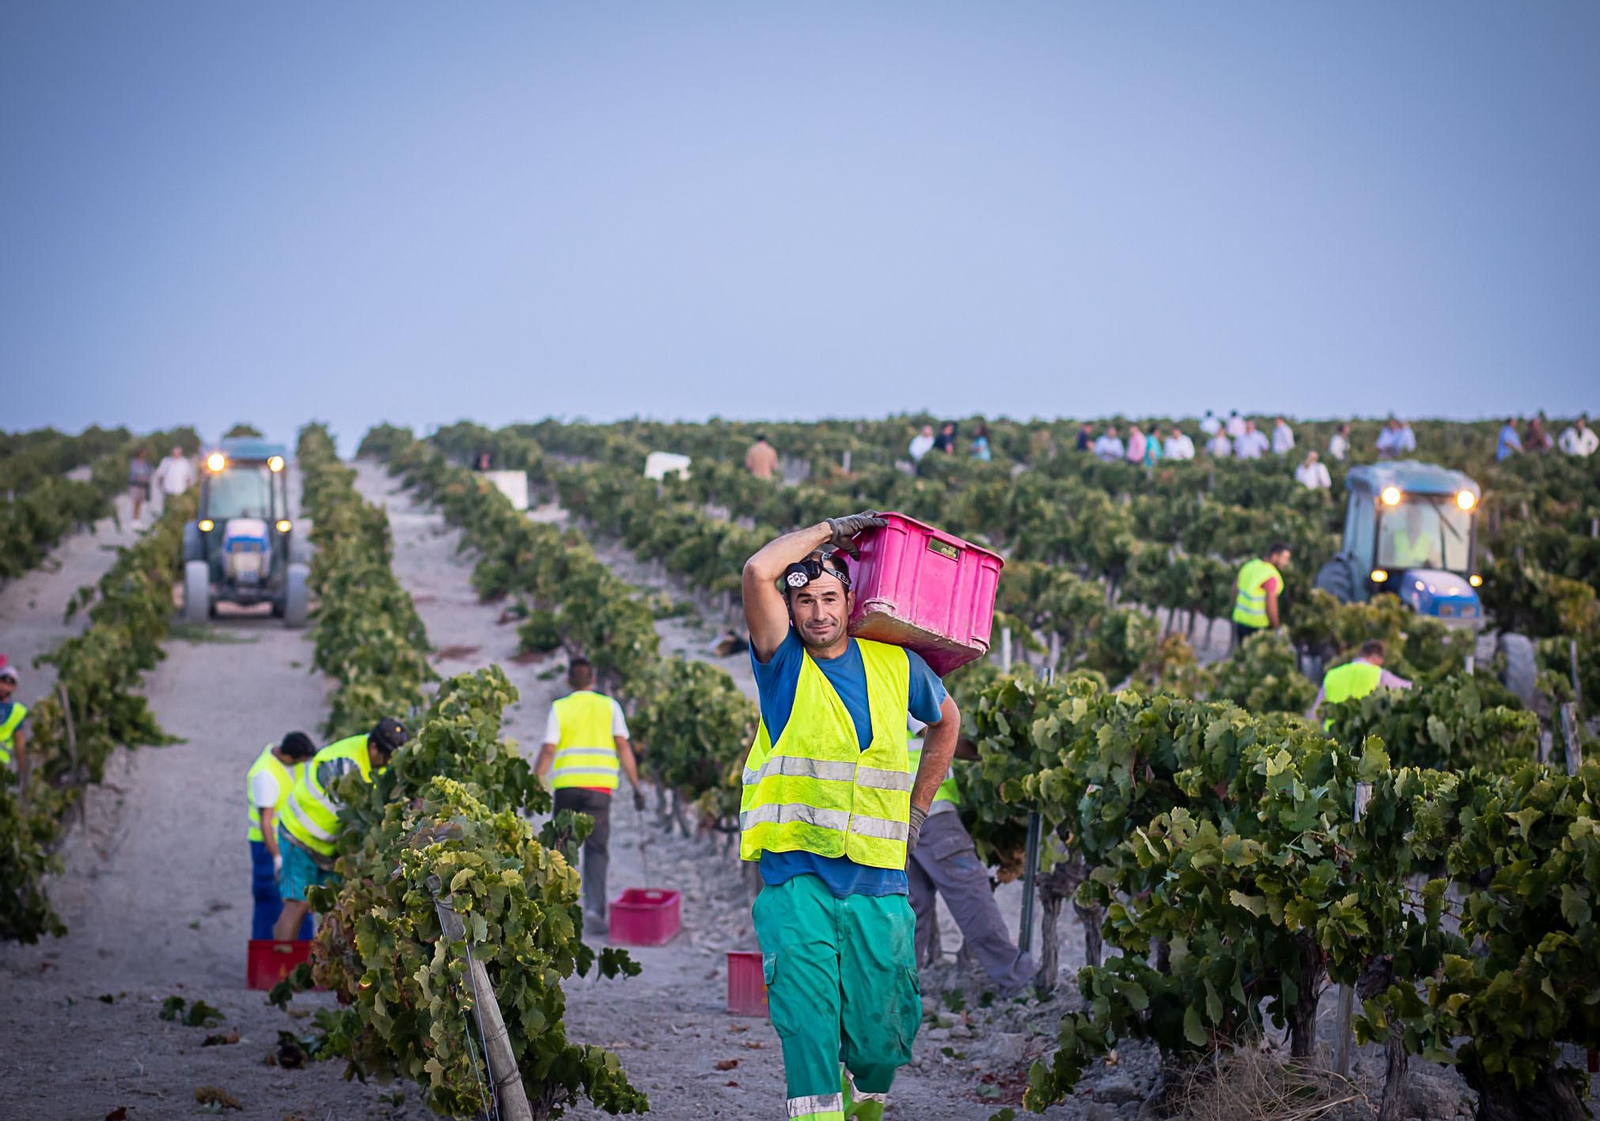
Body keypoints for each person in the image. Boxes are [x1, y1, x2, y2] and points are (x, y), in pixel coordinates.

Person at [740, 514, 959, 1121]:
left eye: (829, 597)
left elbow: (948, 722)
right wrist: (830, 530)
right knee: (808, 1033)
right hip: (797, 883)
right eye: (803, 600)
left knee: (880, 1040)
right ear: (790, 609)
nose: (816, 612)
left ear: (849, 599)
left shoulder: (896, 666)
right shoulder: (781, 666)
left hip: (880, 883)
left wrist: (919, 808)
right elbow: (759, 569)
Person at [904, 718, 1035, 995]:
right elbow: (938, 731)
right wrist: (990, 751)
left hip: (895, 812)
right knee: (971, 892)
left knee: (912, 906)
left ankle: (896, 992)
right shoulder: (906, 677)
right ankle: (1017, 978)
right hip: (929, 810)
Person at [535, 657, 645, 935]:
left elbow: (548, 749)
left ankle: (561, 911)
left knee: (562, 848)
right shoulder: (610, 707)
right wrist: (636, 786)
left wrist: (537, 783)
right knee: (596, 850)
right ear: (593, 679)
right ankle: (595, 910)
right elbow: (622, 746)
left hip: (567, 789)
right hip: (599, 790)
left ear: (569, 681)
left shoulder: (560, 708)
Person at [273, 717, 409, 940]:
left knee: (337, 907)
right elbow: (359, 817)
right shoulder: (346, 765)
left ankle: (317, 962)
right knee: (297, 904)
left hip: (329, 847)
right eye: (386, 756)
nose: (388, 762)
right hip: (299, 836)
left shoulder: (377, 761)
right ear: (373, 747)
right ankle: (278, 967)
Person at [246, 732, 317, 940]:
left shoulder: (289, 763)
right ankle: (265, 956)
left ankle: (299, 956)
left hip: (292, 843)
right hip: (268, 846)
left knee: (299, 900)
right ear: (290, 757)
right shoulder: (265, 776)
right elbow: (265, 822)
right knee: (270, 902)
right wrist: (276, 857)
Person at [1311, 640, 1412, 725]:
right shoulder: (1379, 674)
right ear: (1378, 658)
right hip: (1362, 739)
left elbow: (1315, 714)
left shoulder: (1332, 674)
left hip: (1331, 739)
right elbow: (1408, 688)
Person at [1232, 543, 1291, 646]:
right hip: (1257, 627)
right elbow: (1271, 606)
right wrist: (1277, 628)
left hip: (1240, 621)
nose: (1286, 563)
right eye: (1285, 558)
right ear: (1275, 556)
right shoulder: (1270, 575)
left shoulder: (1249, 566)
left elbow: (1234, 590)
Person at [1383, 503, 1440, 569]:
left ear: (1420, 519)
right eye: (1411, 517)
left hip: (1420, 577)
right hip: (1397, 576)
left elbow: (1434, 564)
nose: (1413, 520)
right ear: (1407, 518)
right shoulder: (1393, 537)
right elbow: (1385, 560)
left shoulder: (1428, 542)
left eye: (1416, 517)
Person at [0, 664, 27, 778]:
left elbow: (20, 743)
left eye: (9, 684)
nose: (5, 687)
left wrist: (21, 771)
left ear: (14, 687)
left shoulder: (17, 711)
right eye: (3, 682)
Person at [127, 449, 153, 523]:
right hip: (135, 484)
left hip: (143, 485)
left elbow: (149, 472)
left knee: (140, 502)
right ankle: (134, 518)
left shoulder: (146, 463)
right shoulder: (133, 462)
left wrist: (146, 478)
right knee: (135, 501)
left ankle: (138, 519)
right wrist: (140, 478)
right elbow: (133, 472)